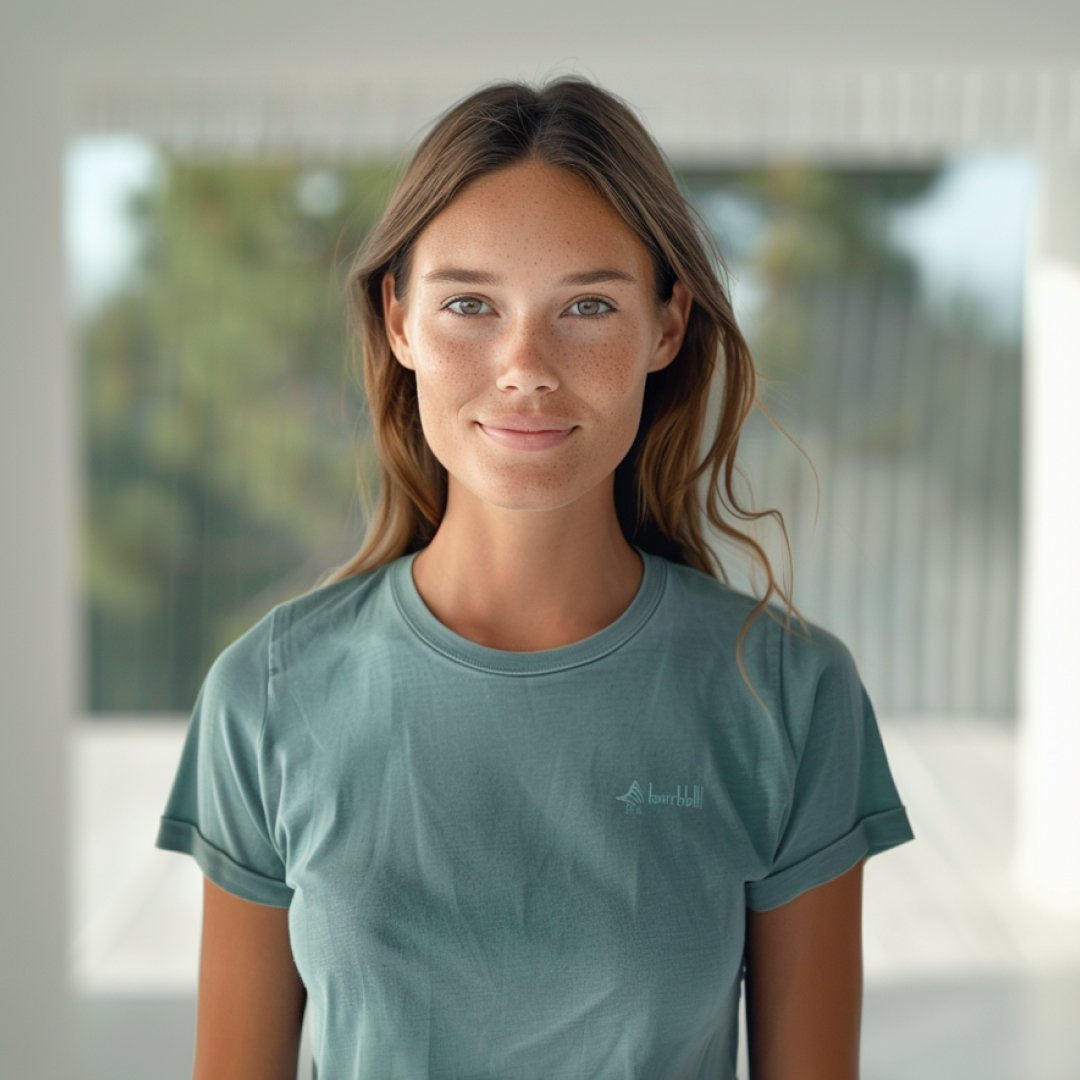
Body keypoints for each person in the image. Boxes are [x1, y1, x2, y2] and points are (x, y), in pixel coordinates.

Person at [155, 76, 915, 1080]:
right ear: (398, 321)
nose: (524, 364)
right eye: (469, 303)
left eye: (588, 305)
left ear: (667, 326)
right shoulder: (267, 695)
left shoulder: (787, 696)